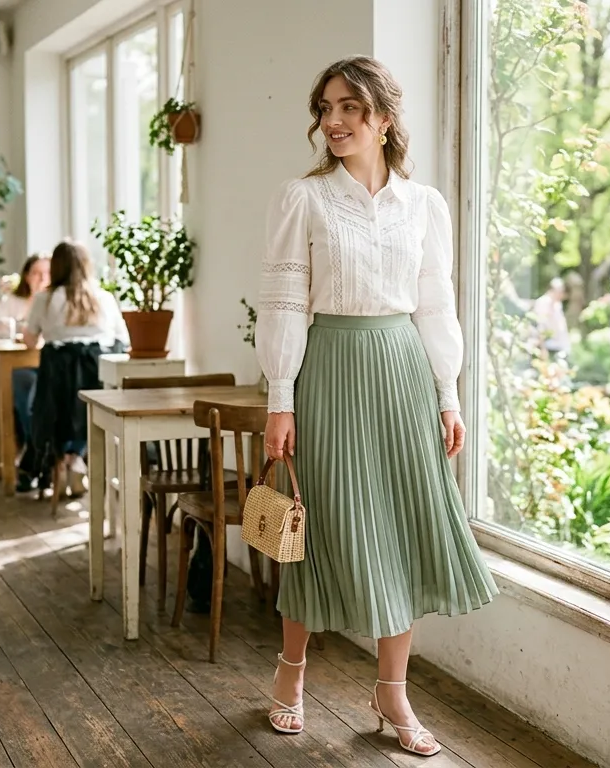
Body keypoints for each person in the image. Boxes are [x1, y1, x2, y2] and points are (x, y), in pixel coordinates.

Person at [257, 56, 497, 755]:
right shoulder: (301, 199)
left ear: (383, 120)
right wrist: (280, 399)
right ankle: (291, 675)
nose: (333, 121)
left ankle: (392, 694)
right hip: (327, 370)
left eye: (350, 108)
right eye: (326, 107)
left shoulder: (425, 206)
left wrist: (448, 396)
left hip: (403, 374)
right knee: (314, 529)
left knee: (404, 528)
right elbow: (284, 303)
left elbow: (436, 304)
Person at [19, 241, 123, 494]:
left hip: (57, 382)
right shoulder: (104, 298)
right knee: (84, 407)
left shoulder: (44, 298)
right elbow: (123, 341)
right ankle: (75, 459)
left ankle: (57, 462)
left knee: (40, 404)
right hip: (97, 379)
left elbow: (30, 340)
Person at [0, 254, 51, 443]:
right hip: (20, 364)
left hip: (49, 363)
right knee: (22, 381)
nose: (42, 279)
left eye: (47, 273)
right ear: (27, 276)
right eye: (36, 273)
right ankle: (33, 444)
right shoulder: (13, 302)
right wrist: (5, 328)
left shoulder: (58, 301)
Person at [532, 276, 571, 358]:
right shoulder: (542, 303)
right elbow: (540, 326)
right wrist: (543, 348)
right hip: (549, 346)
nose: (562, 295)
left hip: (561, 345)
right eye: (560, 291)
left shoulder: (557, 304)